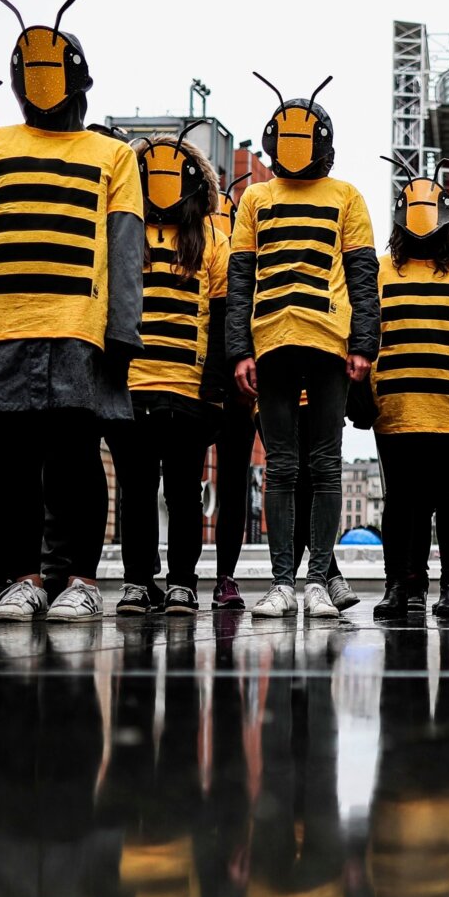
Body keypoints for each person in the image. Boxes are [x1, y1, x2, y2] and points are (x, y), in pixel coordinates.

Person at [0, 0, 145, 621]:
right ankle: (20, 579)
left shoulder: (113, 155)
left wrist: (123, 333)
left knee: (76, 462)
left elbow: (124, 250)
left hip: (78, 330)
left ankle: (80, 580)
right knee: (5, 466)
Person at [224, 74, 379, 619]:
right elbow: (239, 278)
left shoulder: (346, 196)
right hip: (271, 343)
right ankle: (285, 581)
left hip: (328, 342)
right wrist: (239, 349)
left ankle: (315, 581)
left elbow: (363, 275)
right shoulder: (256, 198)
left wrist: (363, 343)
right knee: (284, 467)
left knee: (325, 463)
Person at [108, 127, 231, 615]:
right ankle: (147, 582)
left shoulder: (209, 242)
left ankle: (172, 581)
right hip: (138, 386)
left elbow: (221, 317)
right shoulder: (128, 236)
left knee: (172, 492)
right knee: (151, 492)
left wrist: (214, 387)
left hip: (183, 390)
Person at [367, 159, 449, 620]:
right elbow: (367, 333)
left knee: (448, 500)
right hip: (395, 406)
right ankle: (401, 585)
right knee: (401, 502)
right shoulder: (381, 270)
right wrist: (362, 397)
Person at [208, 172, 256, 609]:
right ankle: (220, 577)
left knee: (231, 486)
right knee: (221, 486)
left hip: (233, 388)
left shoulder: (238, 256)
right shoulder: (203, 245)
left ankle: (224, 576)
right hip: (201, 383)